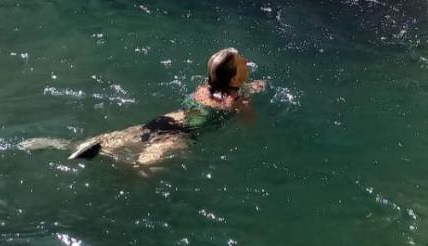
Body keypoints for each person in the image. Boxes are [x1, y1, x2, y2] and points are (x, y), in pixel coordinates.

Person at [20, 48, 266, 167]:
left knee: (107, 141)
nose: (246, 60)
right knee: (145, 166)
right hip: (179, 135)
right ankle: (126, 165)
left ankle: (57, 144)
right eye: (242, 60)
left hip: (164, 121)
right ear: (234, 80)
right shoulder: (237, 101)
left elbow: (220, 90)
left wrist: (249, 86)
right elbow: (251, 124)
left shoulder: (205, 87)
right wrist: (249, 113)